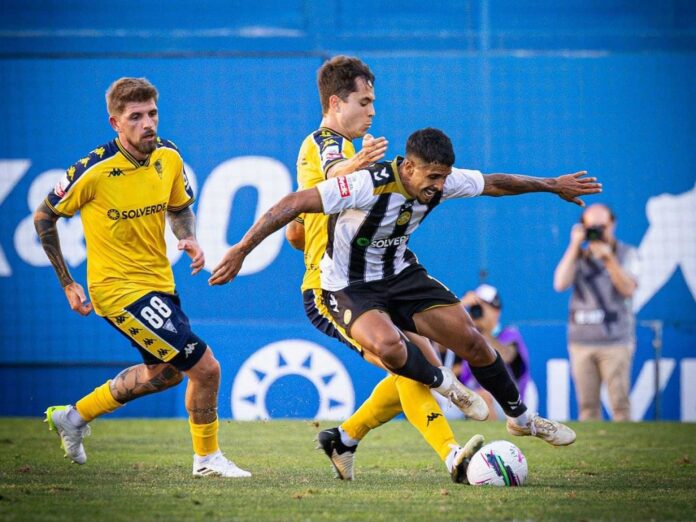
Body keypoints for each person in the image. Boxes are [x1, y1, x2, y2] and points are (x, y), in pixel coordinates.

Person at [210, 127, 601, 448]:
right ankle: (444, 384)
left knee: (474, 341)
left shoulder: (442, 181)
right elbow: (294, 202)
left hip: (400, 275)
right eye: (432, 178)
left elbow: (496, 183)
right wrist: (243, 249)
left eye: (444, 177)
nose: (439, 186)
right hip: (348, 286)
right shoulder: (365, 184)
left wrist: (552, 185)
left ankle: (522, 419)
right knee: (391, 347)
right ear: (409, 167)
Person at [35, 77, 250, 478]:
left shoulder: (168, 156)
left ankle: (73, 417)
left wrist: (188, 238)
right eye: (136, 117)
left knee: (165, 374)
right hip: (116, 289)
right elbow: (44, 216)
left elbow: (179, 206)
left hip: (159, 284)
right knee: (206, 368)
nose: (148, 123)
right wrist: (67, 281)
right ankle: (207, 460)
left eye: (152, 113)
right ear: (115, 123)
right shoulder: (93, 170)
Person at [285, 55, 485, 483]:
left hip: (371, 281)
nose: (373, 110)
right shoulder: (326, 144)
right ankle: (452, 456)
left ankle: (345, 438)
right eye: (365, 101)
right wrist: (356, 168)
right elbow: (336, 170)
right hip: (330, 289)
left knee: (418, 361)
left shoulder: (344, 151)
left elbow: (296, 233)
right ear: (337, 103)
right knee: (410, 363)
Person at [553, 203, 639, 421]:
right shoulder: (579, 255)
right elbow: (560, 283)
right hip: (581, 341)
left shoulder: (626, 253)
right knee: (587, 407)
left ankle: (626, 453)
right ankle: (593, 452)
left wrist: (609, 259)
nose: (598, 232)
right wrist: (574, 246)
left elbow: (629, 289)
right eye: (592, 227)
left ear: (613, 224)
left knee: (620, 405)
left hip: (615, 340)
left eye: (602, 226)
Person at [457, 284, 531, 420]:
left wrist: (483, 332)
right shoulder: (468, 335)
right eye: (474, 307)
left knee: (483, 397)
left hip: (507, 404)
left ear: (496, 311)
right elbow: (438, 344)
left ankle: (494, 439)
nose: (477, 311)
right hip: (469, 399)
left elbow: (507, 356)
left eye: (482, 306)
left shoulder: (509, 335)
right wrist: (459, 307)